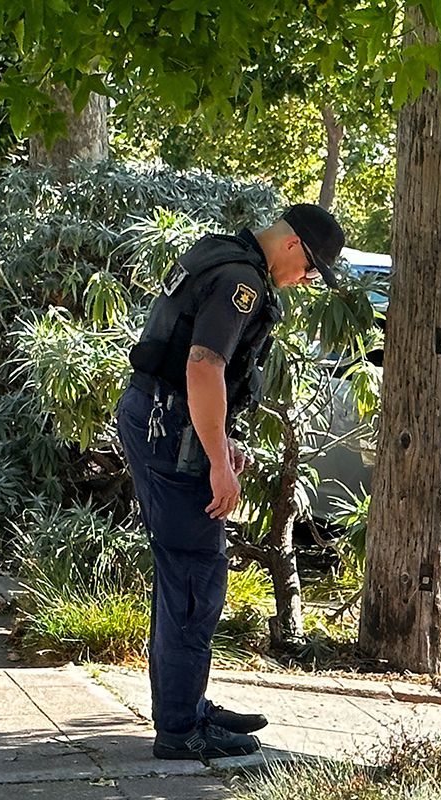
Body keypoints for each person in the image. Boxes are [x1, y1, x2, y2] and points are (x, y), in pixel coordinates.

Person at [116, 204, 343, 762]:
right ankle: (180, 728)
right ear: (292, 244)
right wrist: (217, 458)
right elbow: (203, 366)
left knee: (185, 572)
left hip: (160, 419)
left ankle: (186, 705)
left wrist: (218, 439)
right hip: (168, 429)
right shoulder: (241, 280)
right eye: (310, 267)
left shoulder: (222, 257)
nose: (307, 280)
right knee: (196, 574)